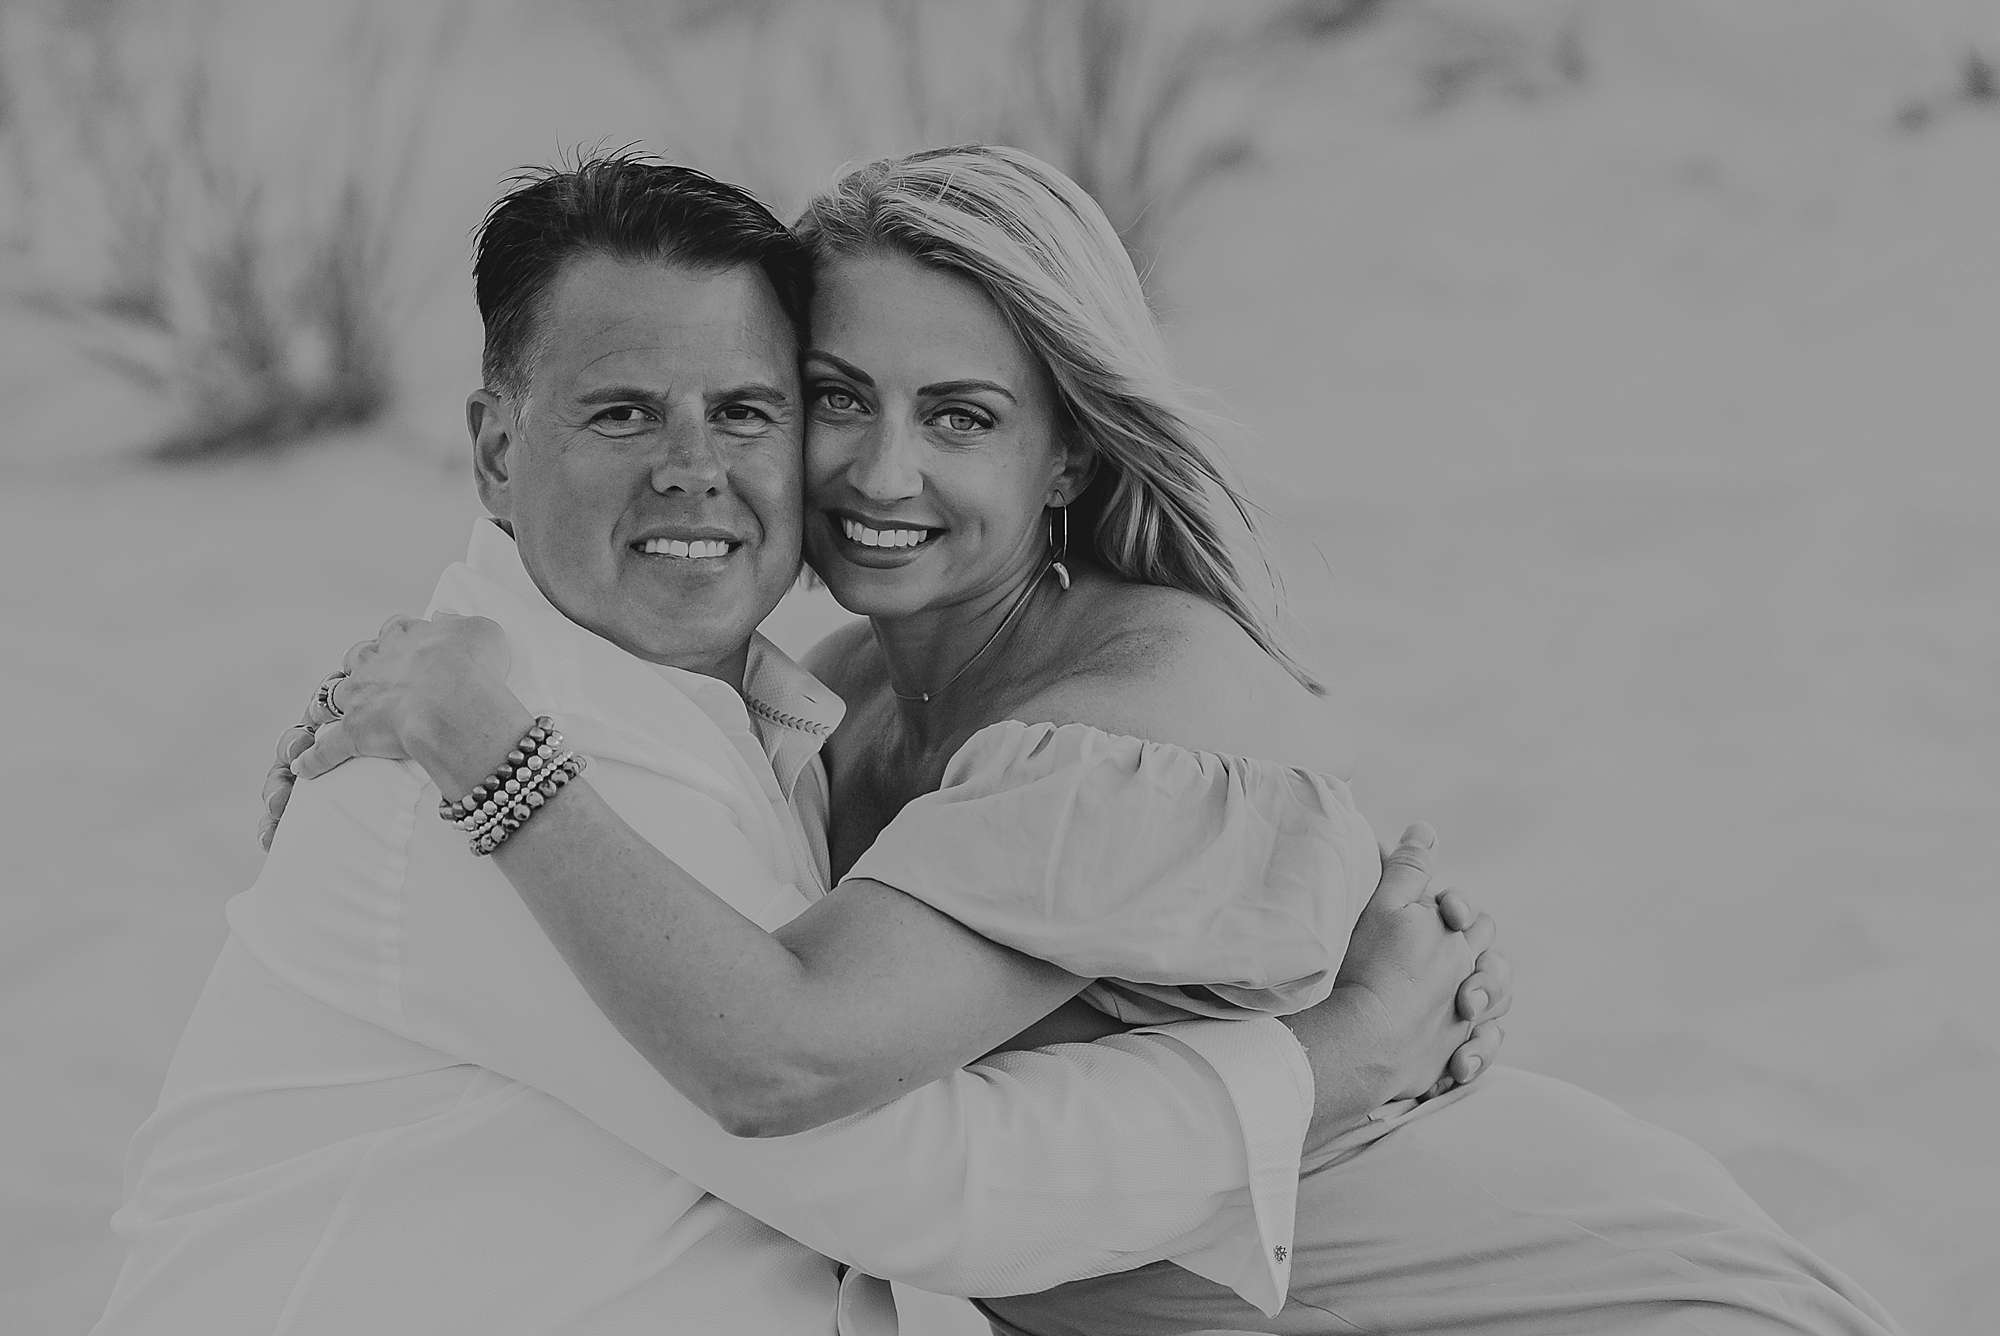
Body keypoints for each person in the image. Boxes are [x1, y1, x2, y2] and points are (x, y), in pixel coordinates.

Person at [289, 146, 1906, 1335]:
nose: (881, 471)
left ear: (1069, 458)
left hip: (1565, 1303)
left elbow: (783, 1054)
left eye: (965, 417)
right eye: (839, 396)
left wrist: (478, 735)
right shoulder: (833, 685)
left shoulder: (1134, 711)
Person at [96, 156, 1501, 1336]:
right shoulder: (512, 755)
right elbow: (922, 1179)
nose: (694, 468)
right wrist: (1331, 1058)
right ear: (493, 450)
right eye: (623, 411)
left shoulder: (735, 714)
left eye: (751, 410)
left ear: (1066, 453)